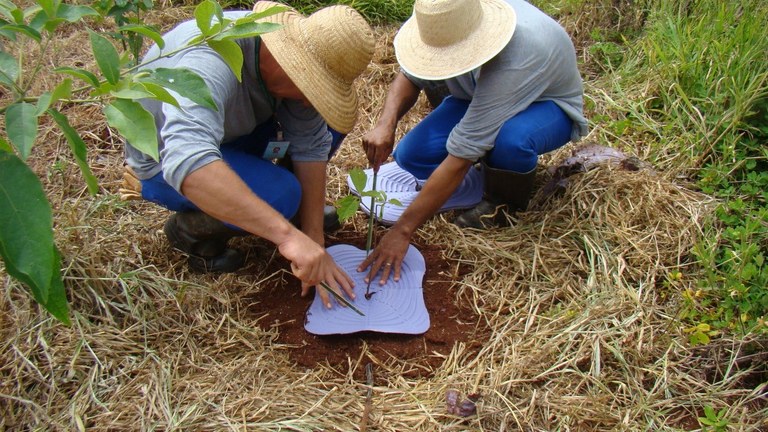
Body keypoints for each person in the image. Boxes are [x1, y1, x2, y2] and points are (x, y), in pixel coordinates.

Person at [123, 1, 375, 309]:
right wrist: (288, 238)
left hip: (235, 133)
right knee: (283, 196)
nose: (310, 101)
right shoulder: (210, 61)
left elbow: (310, 143)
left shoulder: (284, 58)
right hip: (168, 160)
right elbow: (187, 162)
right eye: (314, 86)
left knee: (326, 128)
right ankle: (193, 230)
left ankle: (274, 208)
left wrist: (313, 235)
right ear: (288, 61)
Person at [359, 0, 588, 284]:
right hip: (478, 95)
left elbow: (460, 156)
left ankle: (502, 203)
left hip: (546, 104)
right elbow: (409, 76)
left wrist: (403, 230)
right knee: (411, 154)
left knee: (510, 141)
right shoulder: (443, 19)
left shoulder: (517, 53)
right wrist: (386, 124)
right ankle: (484, 162)